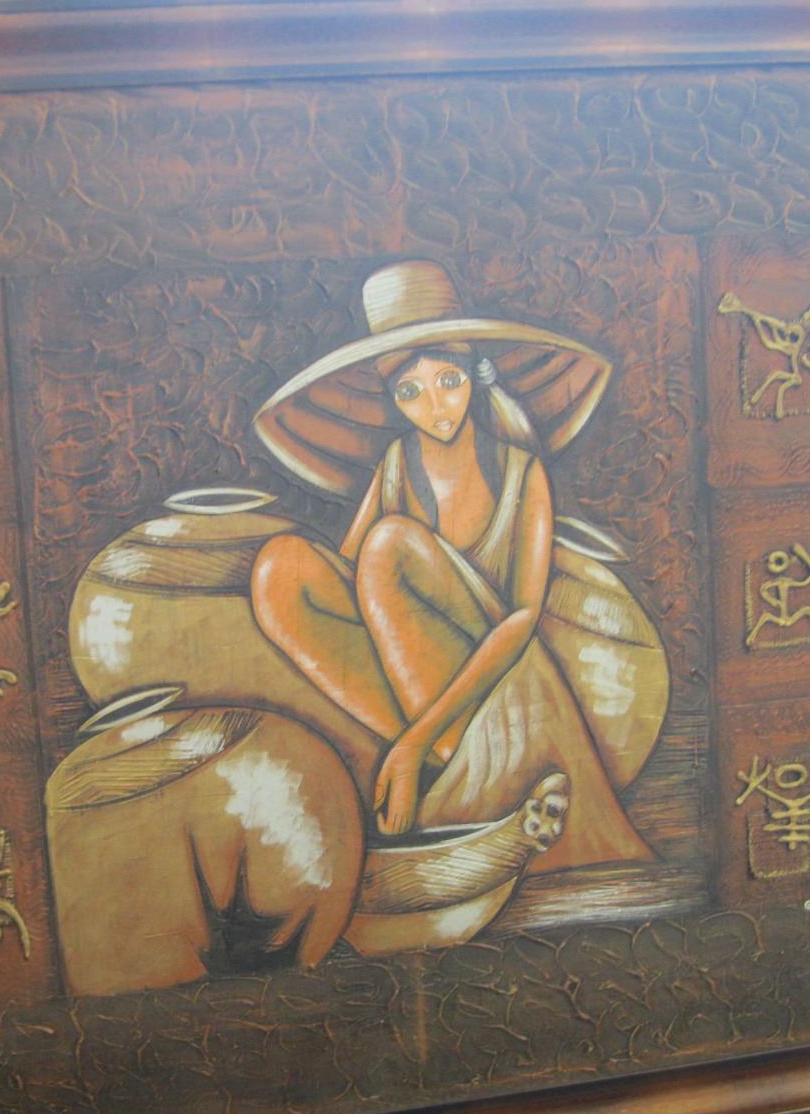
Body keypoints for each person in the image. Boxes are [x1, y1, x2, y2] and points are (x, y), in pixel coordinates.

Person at [251, 259, 647, 854]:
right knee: (281, 568)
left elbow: (522, 616)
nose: (434, 404)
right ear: (392, 399)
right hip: (419, 696)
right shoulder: (396, 465)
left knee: (389, 545)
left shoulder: (520, 473)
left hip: (499, 674)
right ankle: (438, 758)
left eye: (448, 381)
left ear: (475, 377)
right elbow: (353, 589)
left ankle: (435, 752)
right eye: (410, 392)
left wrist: (416, 738)